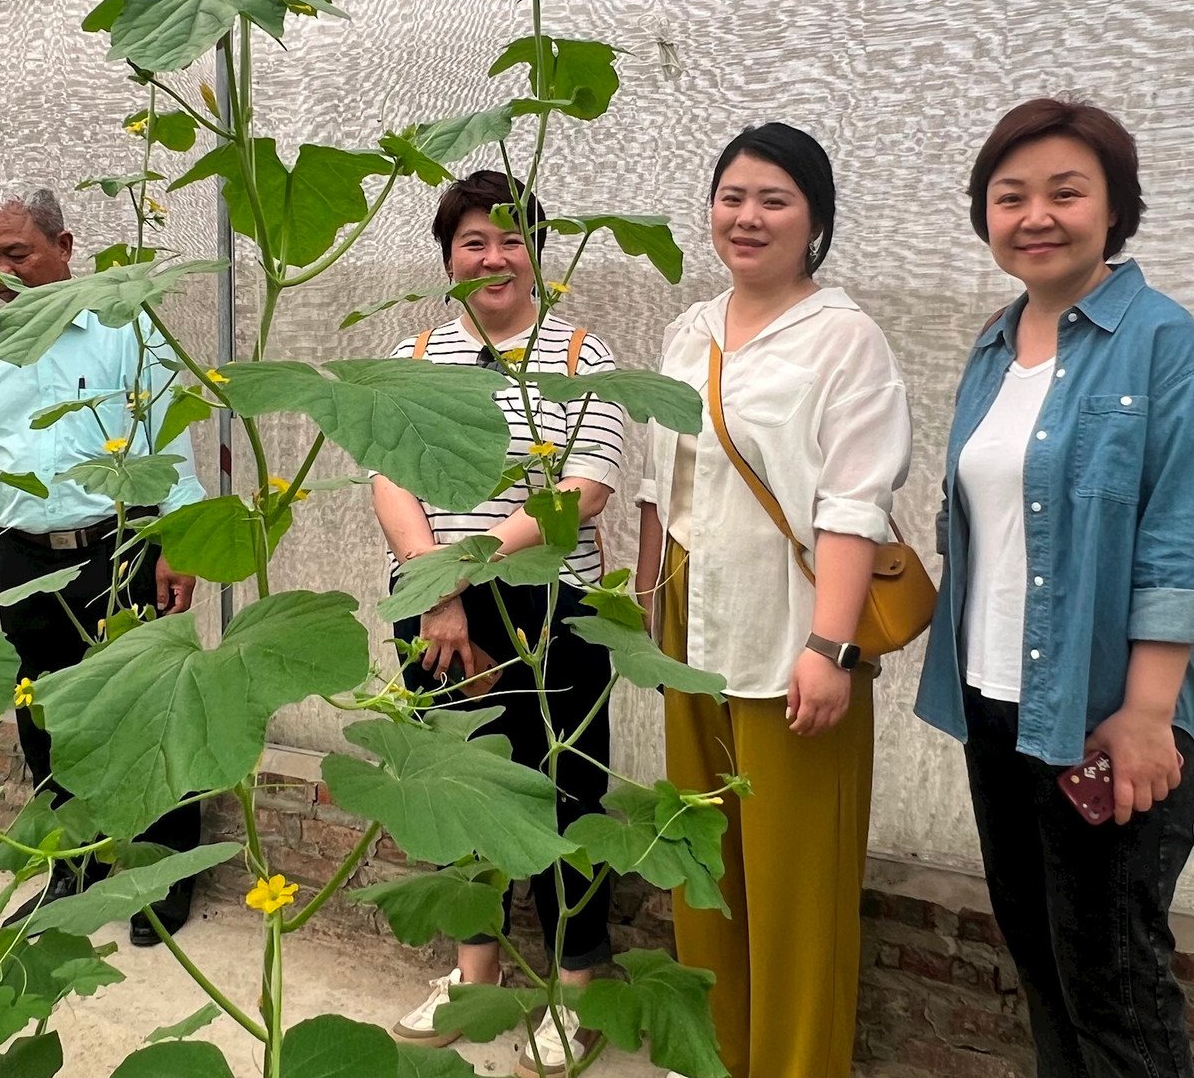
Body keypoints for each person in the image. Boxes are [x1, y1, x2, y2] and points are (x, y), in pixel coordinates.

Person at [913, 99, 1194, 1078]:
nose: (1036, 215)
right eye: (1010, 196)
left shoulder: (1168, 349)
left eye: (1066, 191)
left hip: (1105, 719)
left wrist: (1147, 713)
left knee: (1116, 991)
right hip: (994, 704)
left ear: (1114, 208)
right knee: (1044, 968)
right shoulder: (993, 346)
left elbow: (1186, 547)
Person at [634, 122, 912, 1078]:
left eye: (775, 200)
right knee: (703, 873)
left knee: (799, 899)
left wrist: (832, 648)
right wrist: (644, 609)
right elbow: (658, 483)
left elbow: (854, 502)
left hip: (795, 644)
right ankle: (715, 1061)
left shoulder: (844, 340)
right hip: (690, 636)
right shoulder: (689, 330)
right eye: (733, 197)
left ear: (816, 222)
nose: (747, 218)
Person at [373, 170, 623, 1078]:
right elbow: (388, 477)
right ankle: (475, 970)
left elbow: (584, 490)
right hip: (432, 600)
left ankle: (579, 981)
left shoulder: (579, 356)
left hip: (550, 604)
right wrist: (437, 587)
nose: (493, 257)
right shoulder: (413, 359)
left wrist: (469, 569)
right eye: (473, 242)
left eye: (511, 240)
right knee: (458, 789)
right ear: (448, 259)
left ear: (538, 255)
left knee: (567, 795)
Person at [0, 182, 208, 945]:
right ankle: (74, 868)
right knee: (42, 716)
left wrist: (179, 542)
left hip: (119, 548)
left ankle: (165, 867)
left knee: (148, 709)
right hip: (21, 559)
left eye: (18, 253)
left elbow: (168, 443)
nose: (3, 272)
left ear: (65, 247)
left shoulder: (126, 329)